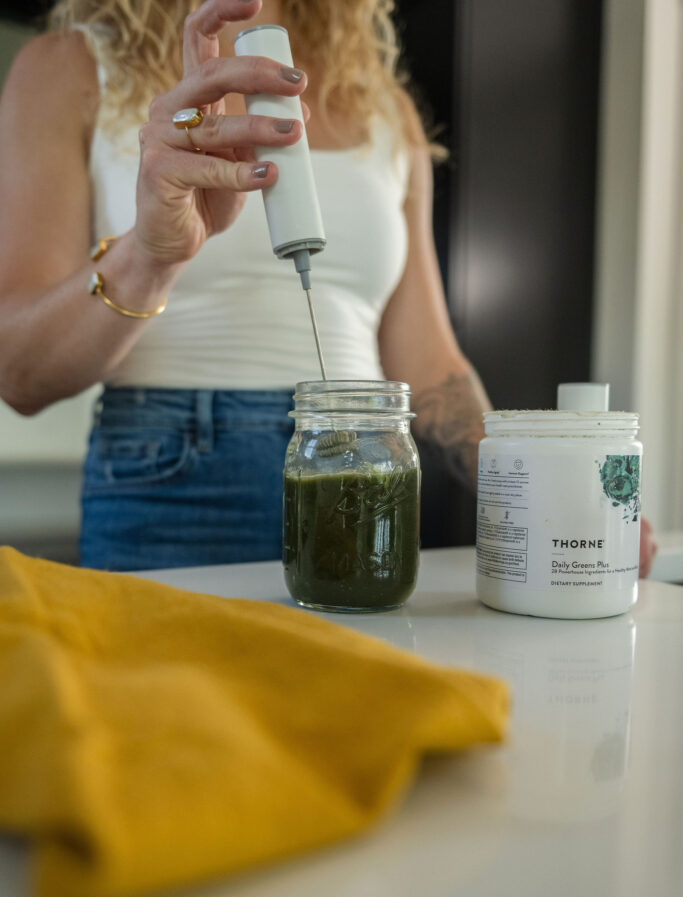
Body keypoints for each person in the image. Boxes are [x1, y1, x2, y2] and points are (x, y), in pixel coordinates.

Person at [0, 0, 657, 577]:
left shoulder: (383, 104)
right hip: (173, 478)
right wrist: (150, 255)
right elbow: (19, 373)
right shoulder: (70, 68)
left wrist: (532, 483)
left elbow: (429, 364)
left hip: (368, 466)